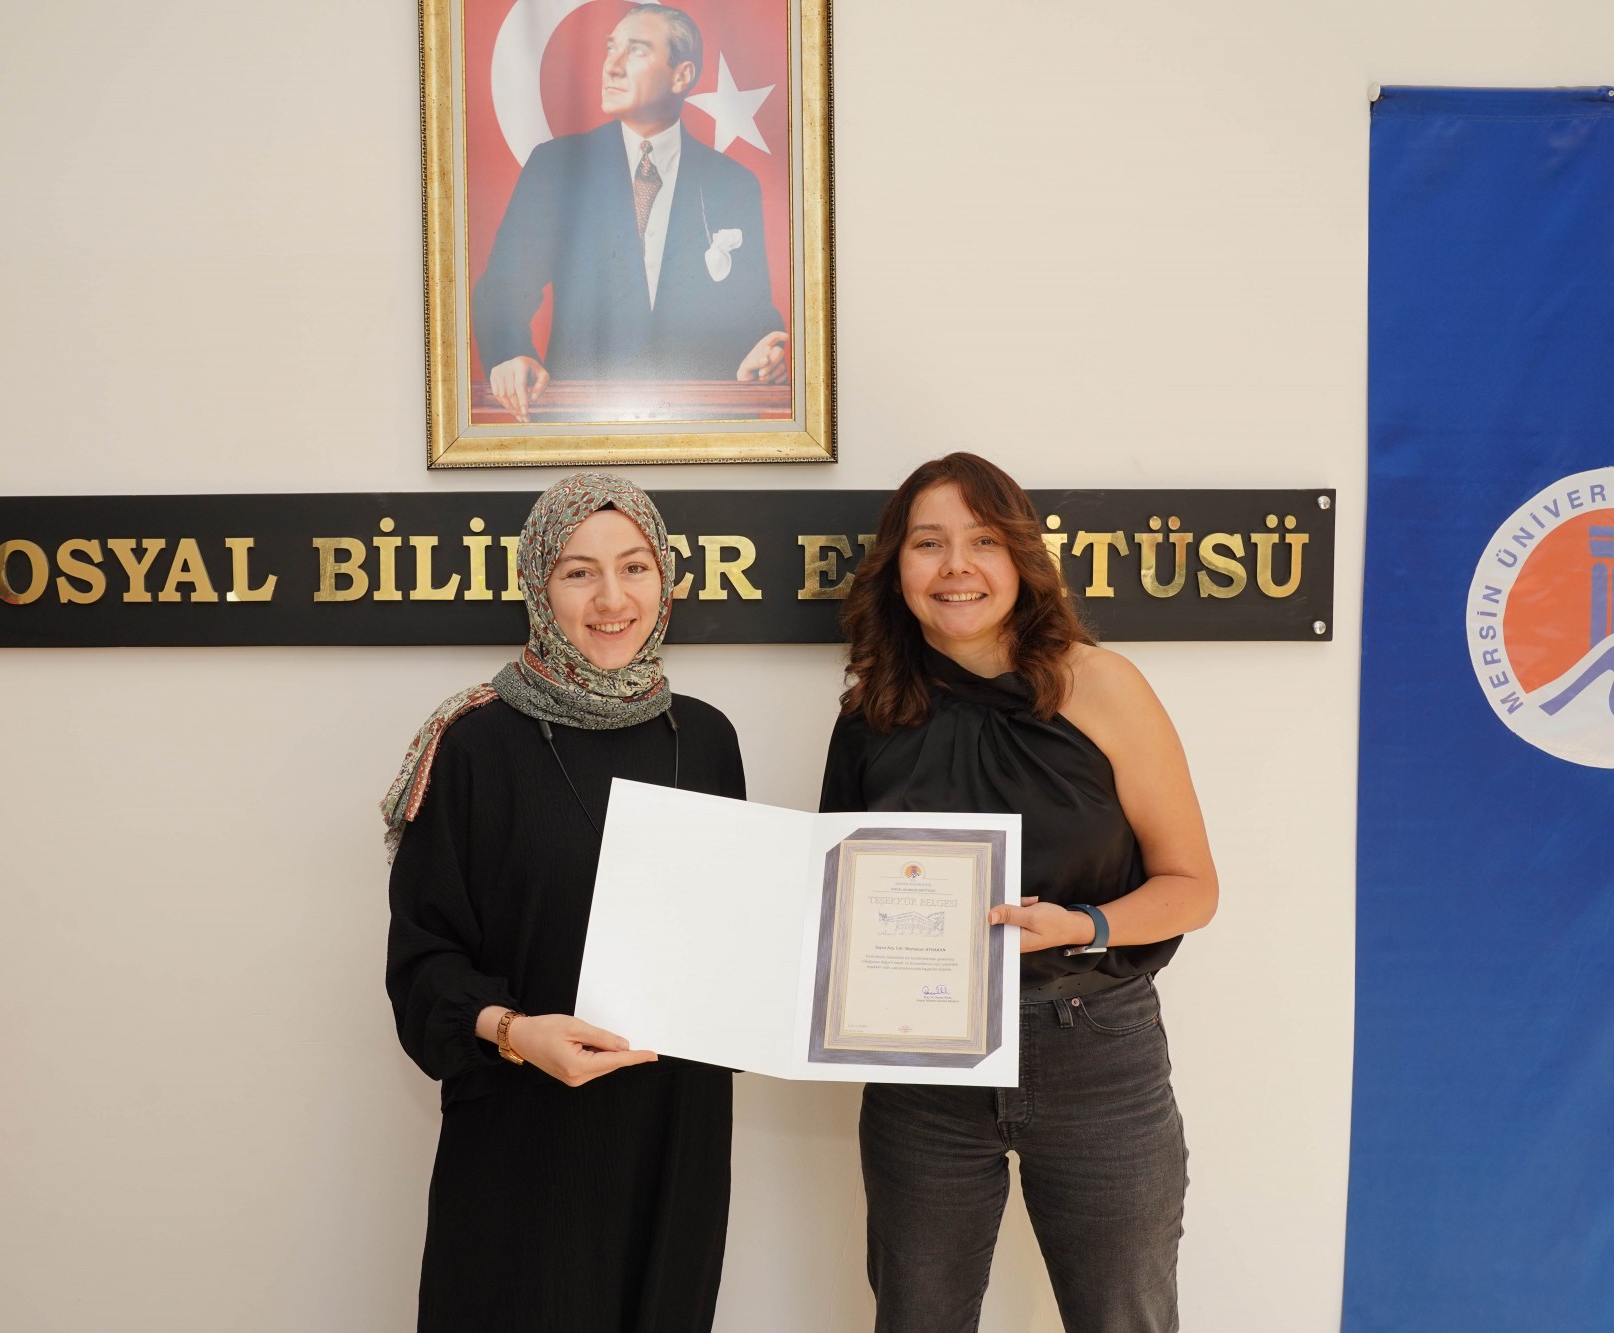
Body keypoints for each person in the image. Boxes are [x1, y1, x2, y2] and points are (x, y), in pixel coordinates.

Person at [819, 452, 1219, 1333]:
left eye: (984, 541)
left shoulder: (1104, 686)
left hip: (1095, 1053)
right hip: (923, 1071)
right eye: (929, 543)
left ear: (1022, 559)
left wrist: (1085, 923)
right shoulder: (870, 714)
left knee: (1125, 1318)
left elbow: (1193, 886)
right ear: (897, 568)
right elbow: (836, 905)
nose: (956, 566)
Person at [383, 472, 745, 1332]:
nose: (612, 598)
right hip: (526, 1130)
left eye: (635, 566)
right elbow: (423, 961)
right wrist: (514, 1031)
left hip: (676, 1134)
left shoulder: (707, 736)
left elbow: (732, 928)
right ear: (539, 585)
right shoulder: (473, 743)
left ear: (667, 579)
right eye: (579, 572)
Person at [473, 3, 789, 421]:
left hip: (701, 429)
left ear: (682, 76)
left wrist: (764, 355)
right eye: (611, 48)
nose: (612, 66)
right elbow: (503, 288)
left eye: (637, 50)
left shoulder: (734, 183)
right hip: (580, 427)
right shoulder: (556, 167)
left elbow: (753, 311)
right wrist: (509, 354)